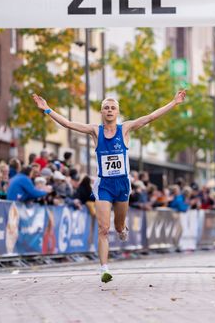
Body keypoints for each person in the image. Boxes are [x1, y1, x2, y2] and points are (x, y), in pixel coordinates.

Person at [32, 89, 186, 283]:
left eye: (113, 108)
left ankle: (122, 230)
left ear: (118, 112)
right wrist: (47, 109)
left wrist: (173, 103)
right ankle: (104, 269)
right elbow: (69, 124)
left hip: (122, 184)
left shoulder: (126, 128)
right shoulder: (95, 131)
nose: (110, 110)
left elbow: (150, 117)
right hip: (104, 184)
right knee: (103, 229)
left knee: (118, 225)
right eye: (106, 108)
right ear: (101, 112)